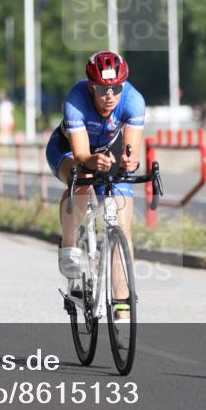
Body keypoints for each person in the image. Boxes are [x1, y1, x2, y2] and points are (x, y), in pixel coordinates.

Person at [44, 51, 144, 318]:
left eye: (115, 88)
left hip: (107, 151)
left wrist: (129, 160)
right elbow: (81, 156)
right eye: (101, 89)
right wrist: (90, 161)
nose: (109, 95)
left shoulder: (134, 101)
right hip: (70, 152)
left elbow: (132, 149)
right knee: (82, 181)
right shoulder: (76, 101)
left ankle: (122, 304)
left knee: (123, 225)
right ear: (91, 87)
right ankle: (69, 244)